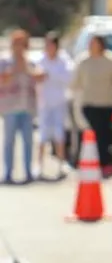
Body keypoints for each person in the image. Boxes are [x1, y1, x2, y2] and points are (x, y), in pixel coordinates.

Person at [71, 34, 112, 174]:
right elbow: (76, 83)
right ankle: (87, 162)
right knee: (91, 134)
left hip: (106, 104)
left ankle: (105, 163)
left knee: (104, 135)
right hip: (89, 103)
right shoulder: (83, 61)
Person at [0, 29, 42, 184]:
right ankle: (8, 173)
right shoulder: (4, 61)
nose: (19, 47)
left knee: (28, 142)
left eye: (22, 44)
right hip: (10, 106)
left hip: (27, 107)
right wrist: (14, 70)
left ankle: (28, 172)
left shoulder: (30, 62)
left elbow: (40, 77)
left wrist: (26, 68)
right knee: (9, 142)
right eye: (16, 44)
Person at [36, 32, 74, 179]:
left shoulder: (64, 60)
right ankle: (39, 165)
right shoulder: (41, 59)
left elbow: (68, 78)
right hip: (44, 102)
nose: (49, 48)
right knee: (43, 134)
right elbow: (35, 75)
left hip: (59, 102)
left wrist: (50, 75)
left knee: (59, 134)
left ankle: (61, 163)